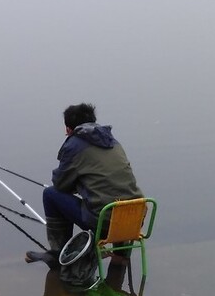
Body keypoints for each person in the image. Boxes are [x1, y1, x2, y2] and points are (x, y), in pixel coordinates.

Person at [25, 103, 142, 267]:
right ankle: (121, 257)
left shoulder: (73, 144)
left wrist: (76, 184)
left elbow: (60, 184)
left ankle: (60, 256)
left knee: (50, 194)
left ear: (69, 129)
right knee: (118, 200)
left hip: (105, 223)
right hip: (134, 219)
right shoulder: (113, 141)